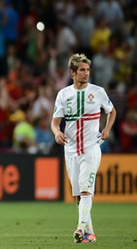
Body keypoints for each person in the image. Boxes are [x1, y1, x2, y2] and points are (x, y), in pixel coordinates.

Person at [51, 53, 116, 243]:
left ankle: (80, 229)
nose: (86, 73)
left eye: (87, 70)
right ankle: (90, 233)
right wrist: (56, 132)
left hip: (90, 148)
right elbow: (55, 122)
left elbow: (111, 112)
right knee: (79, 195)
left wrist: (106, 129)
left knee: (87, 190)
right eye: (82, 70)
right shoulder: (64, 94)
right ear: (72, 72)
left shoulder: (98, 92)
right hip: (70, 150)